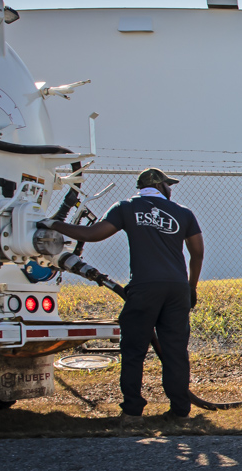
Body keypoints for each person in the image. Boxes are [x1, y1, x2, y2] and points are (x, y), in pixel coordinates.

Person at [38, 168, 204, 424]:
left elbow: (91, 235)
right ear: (160, 186)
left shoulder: (126, 207)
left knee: (134, 349)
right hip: (177, 288)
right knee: (175, 350)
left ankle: (133, 412)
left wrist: (54, 224)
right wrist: (191, 287)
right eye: (168, 185)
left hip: (145, 287)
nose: (171, 189)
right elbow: (197, 253)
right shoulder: (184, 213)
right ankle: (180, 412)